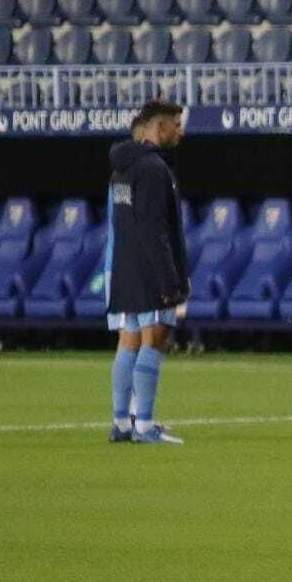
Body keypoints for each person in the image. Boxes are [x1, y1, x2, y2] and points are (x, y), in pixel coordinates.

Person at [106, 99, 187, 445]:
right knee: (155, 337)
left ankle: (122, 422)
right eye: (176, 124)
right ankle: (145, 425)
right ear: (159, 127)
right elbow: (156, 229)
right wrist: (170, 280)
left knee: (129, 340)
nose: (180, 132)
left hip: (124, 267)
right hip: (148, 270)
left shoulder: (121, 168)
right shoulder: (154, 170)